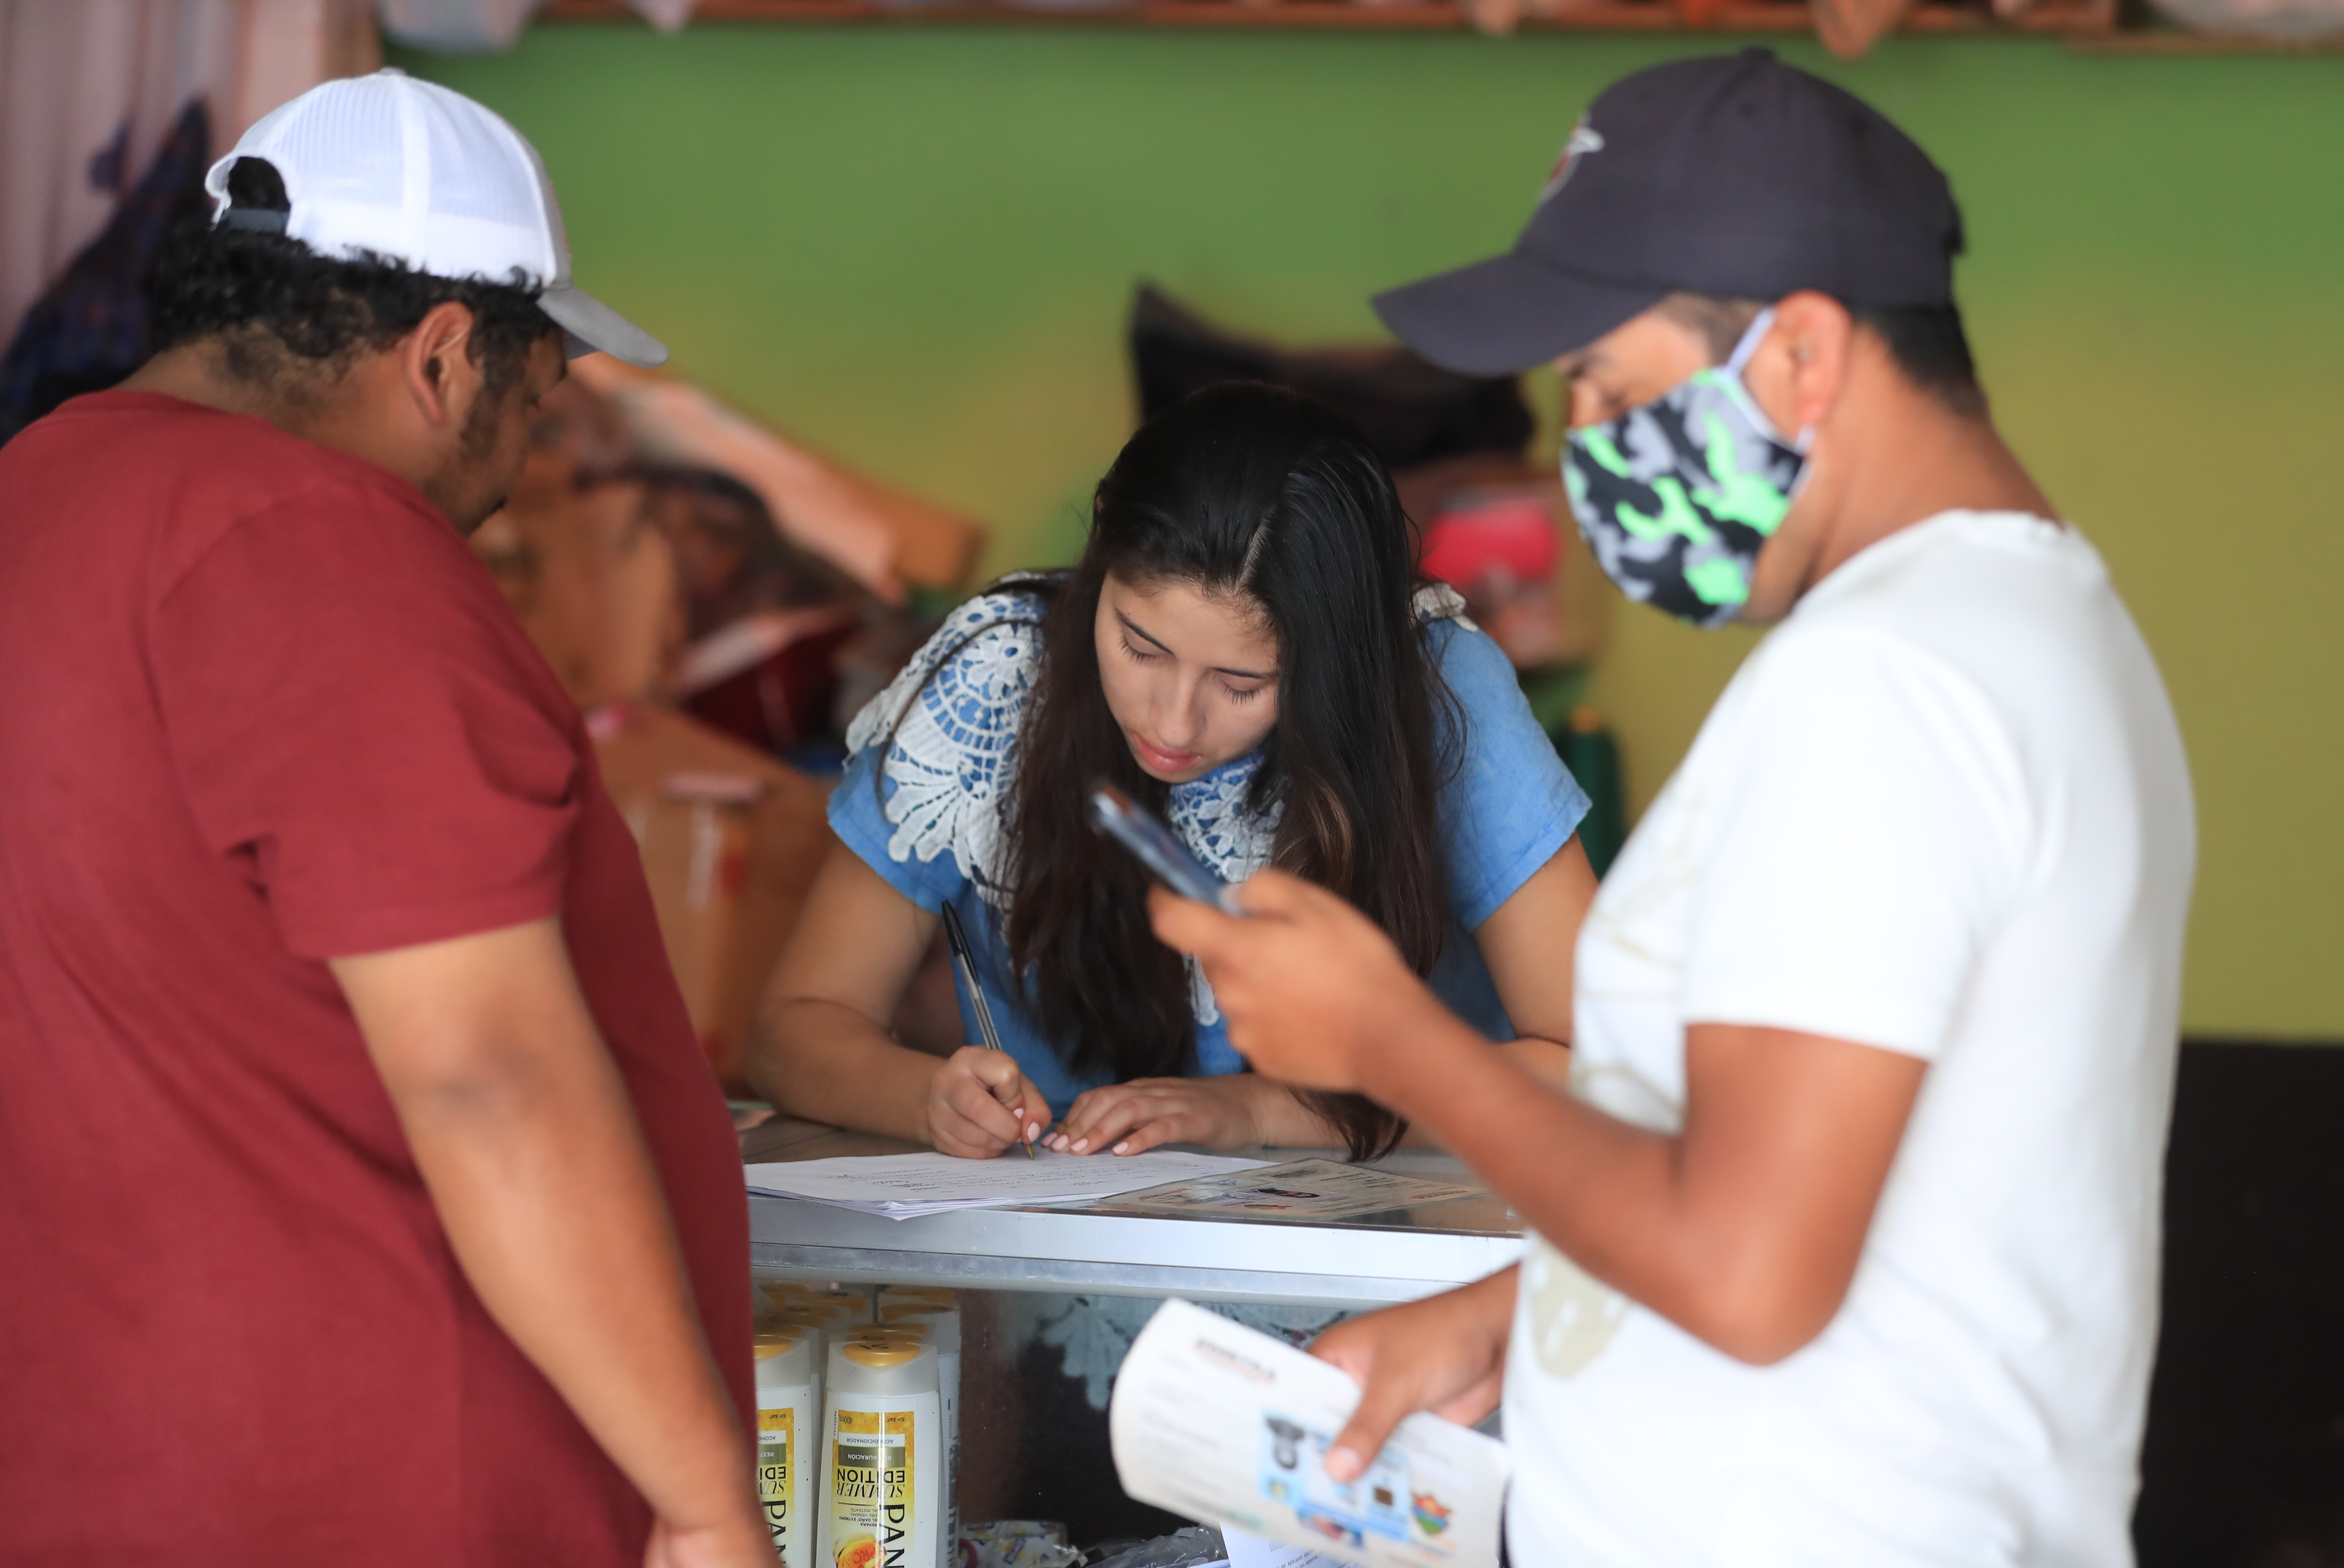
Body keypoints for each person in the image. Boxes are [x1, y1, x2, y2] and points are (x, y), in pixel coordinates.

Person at [1152, 50, 2196, 1566]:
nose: (1579, 440)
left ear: (1800, 359)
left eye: (1611, 382)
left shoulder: (1887, 684)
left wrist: (1391, 1038)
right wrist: (1512, 1314)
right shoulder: (2029, 631)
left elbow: (1751, 1264)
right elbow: (1841, 1191)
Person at [0, 74, 770, 1568]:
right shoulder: (325, 544)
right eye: (533, 407)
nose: (517, 471)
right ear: (440, 357)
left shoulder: (33, 493)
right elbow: (488, 1073)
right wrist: (700, 1492)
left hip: (84, 1452)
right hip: (371, 1479)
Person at [747, 382, 1596, 1161]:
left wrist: (1259, 1111)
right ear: (1102, 545)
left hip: (1407, 1258)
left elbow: (1598, 1076)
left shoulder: (1434, 687)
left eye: (1244, 684)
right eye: (1139, 646)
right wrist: (926, 1098)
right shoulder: (998, 679)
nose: (1173, 721)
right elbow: (797, 1027)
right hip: (1063, 1253)